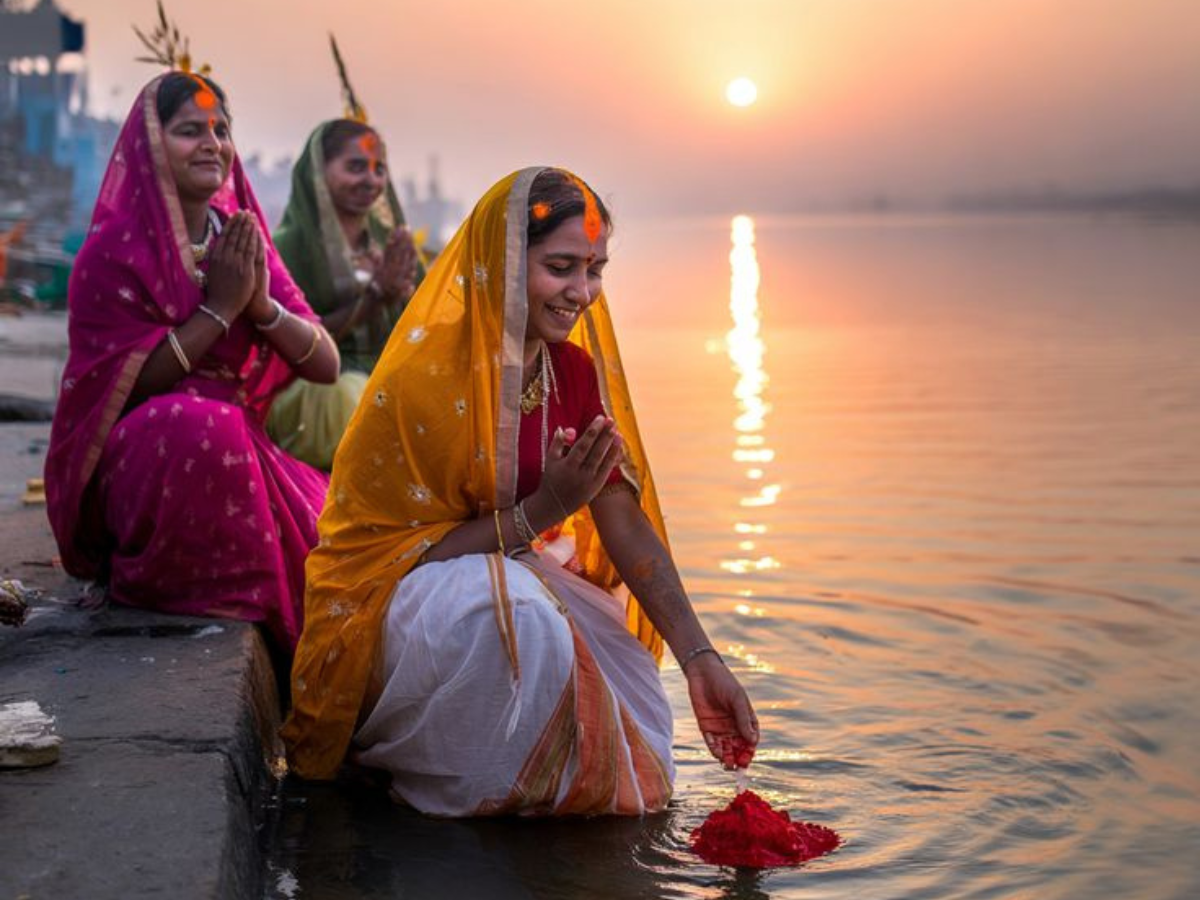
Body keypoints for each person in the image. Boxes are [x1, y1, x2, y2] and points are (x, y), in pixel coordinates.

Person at [283, 167, 758, 816]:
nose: (582, 292)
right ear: (505, 264)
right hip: (390, 605)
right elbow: (397, 559)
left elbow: (619, 513)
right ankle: (451, 790)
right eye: (561, 267)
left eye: (595, 270)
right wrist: (544, 511)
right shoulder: (426, 376)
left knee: (630, 686)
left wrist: (700, 658)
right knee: (521, 623)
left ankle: (528, 805)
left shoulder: (571, 369)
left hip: (509, 571)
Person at [44, 72, 339, 653]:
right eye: (189, 130)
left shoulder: (239, 239)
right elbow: (118, 391)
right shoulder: (112, 251)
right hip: (148, 452)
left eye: (221, 128)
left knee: (352, 544)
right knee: (194, 424)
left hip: (240, 449)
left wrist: (259, 303)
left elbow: (324, 363)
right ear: (150, 147)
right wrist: (222, 310)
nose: (212, 142)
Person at [267, 119, 420, 469]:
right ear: (320, 172)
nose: (371, 180)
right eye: (355, 167)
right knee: (347, 399)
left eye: (379, 169)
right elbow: (286, 341)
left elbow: (422, 326)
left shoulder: (391, 243)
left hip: (384, 376)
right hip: (316, 387)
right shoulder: (288, 247)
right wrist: (375, 297)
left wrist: (406, 294)